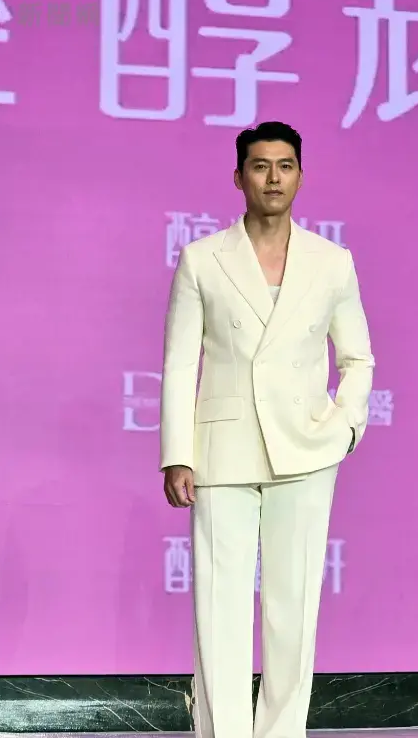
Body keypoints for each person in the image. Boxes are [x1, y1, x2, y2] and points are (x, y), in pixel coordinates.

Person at [159, 121, 374, 738]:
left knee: (293, 608)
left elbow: (357, 357)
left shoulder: (332, 262)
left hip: (305, 448)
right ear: (238, 178)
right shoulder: (203, 259)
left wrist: (345, 427)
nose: (273, 178)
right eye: (260, 166)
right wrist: (177, 453)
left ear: (300, 177)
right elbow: (180, 362)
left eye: (284, 166)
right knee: (219, 607)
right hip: (222, 448)